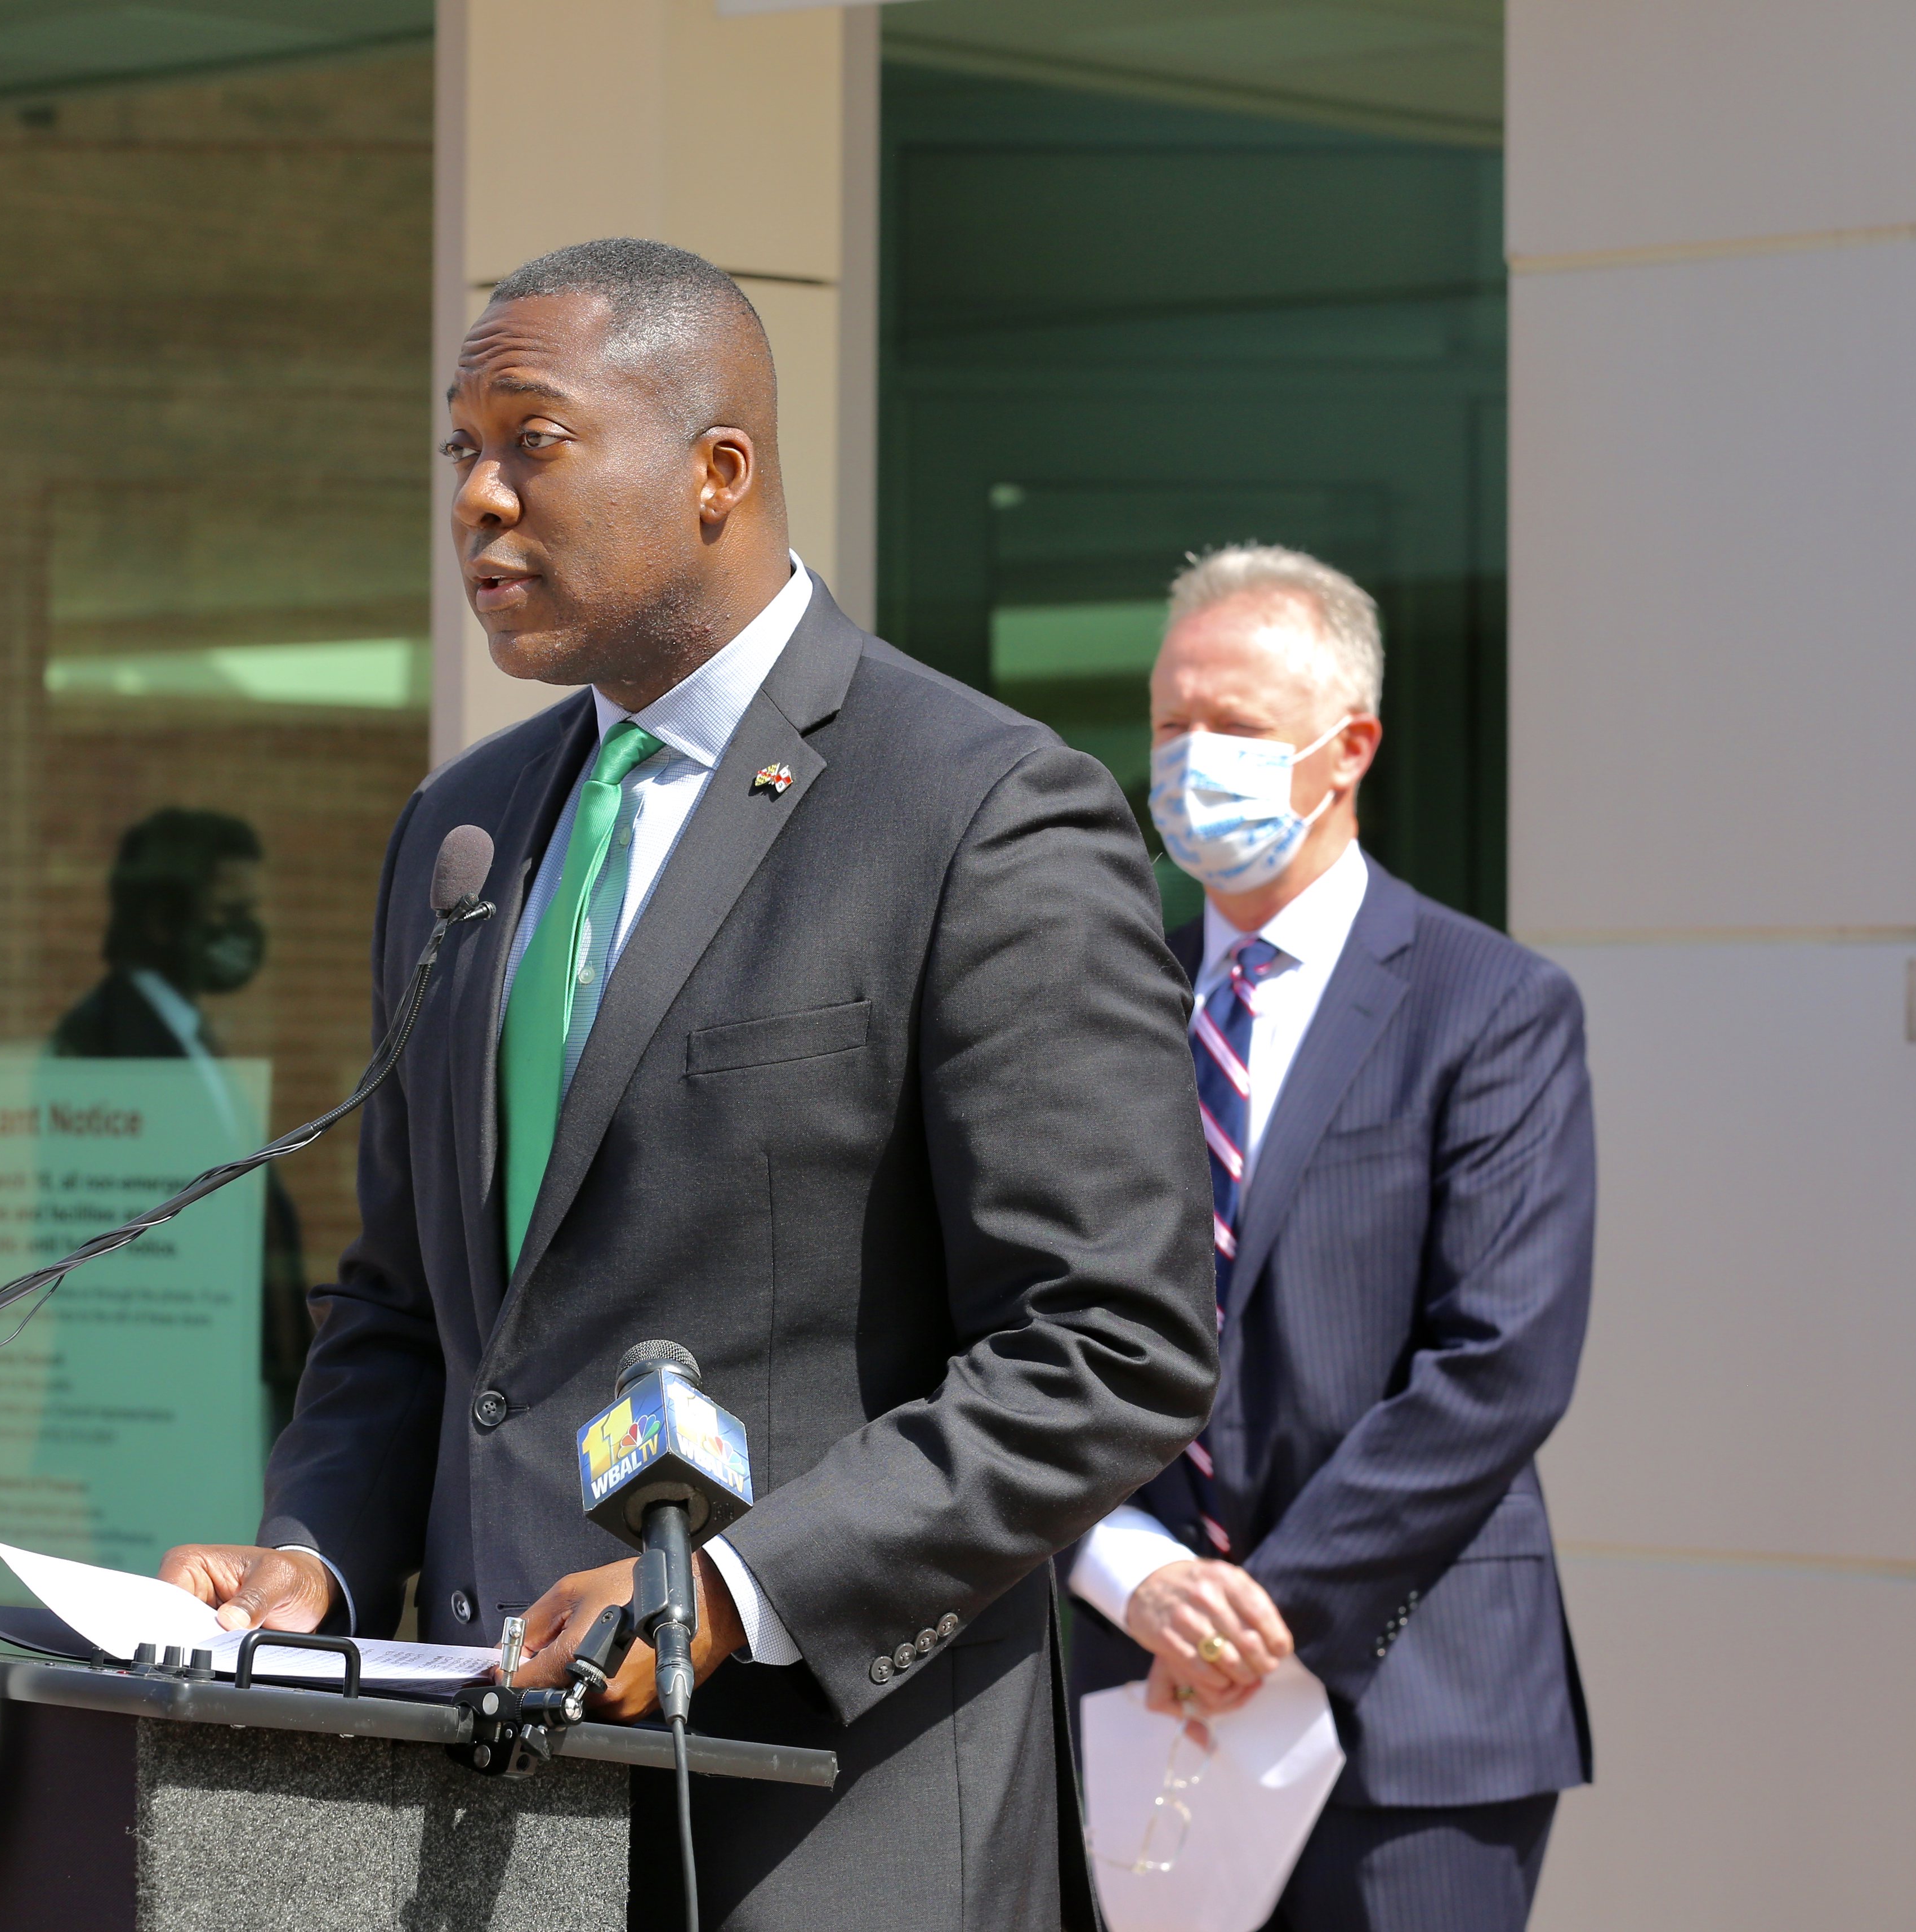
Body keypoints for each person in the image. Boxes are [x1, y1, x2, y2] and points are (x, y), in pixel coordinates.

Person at [155, 236, 1220, 1929]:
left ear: (717, 470)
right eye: (461, 450)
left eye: (534, 440)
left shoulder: (977, 812)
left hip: (824, 1827)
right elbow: (411, 1310)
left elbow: (1107, 1343)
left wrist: (727, 1589)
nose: (478, 498)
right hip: (487, 1818)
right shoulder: (461, 833)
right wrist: (315, 1555)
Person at [1061, 545, 1595, 1931]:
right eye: (1170, 723)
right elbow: (1029, 1319)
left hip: (1414, 1713)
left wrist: (1265, 1605)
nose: (1189, 760)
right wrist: (1129, 1569)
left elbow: (1500, 1361)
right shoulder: (1101, 1000)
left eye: (1233, 725)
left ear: (1347, 747)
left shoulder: (1489, 1005)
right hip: (1126, 1682)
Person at [50, 806, 311, 1406]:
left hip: (228, 1379)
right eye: (228, 912)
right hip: (154, 1393)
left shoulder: (187, 1035)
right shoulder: (102, 1042)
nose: (245, 932)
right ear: (162, 919)